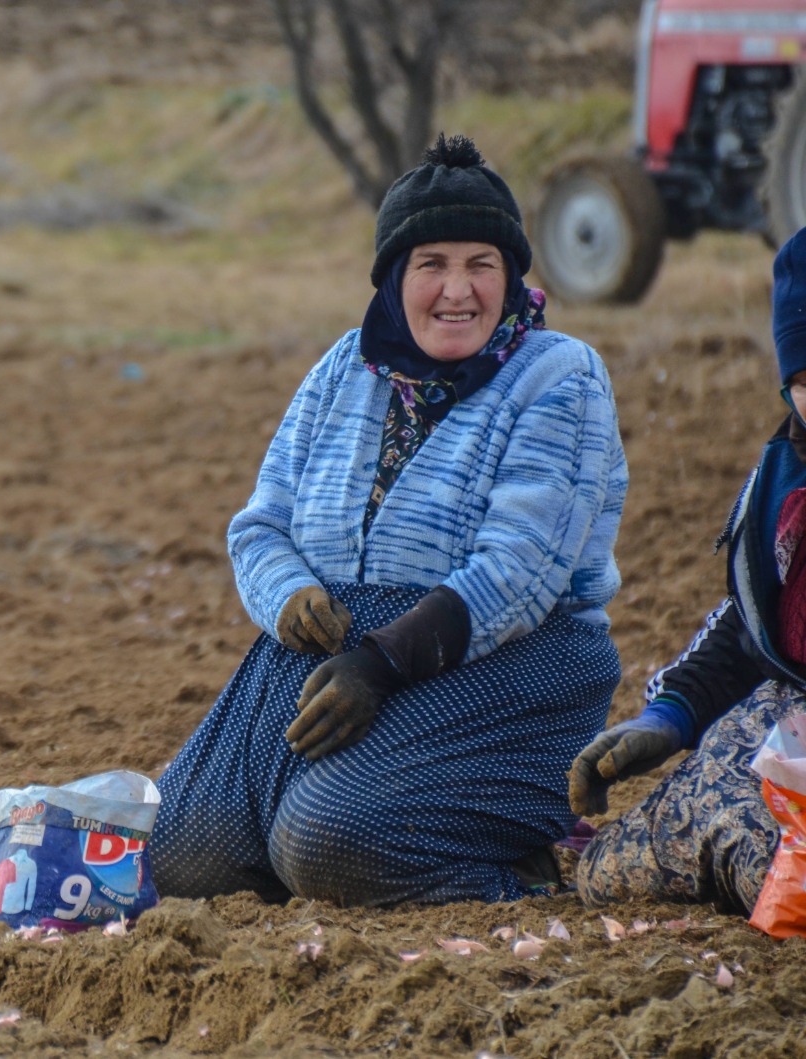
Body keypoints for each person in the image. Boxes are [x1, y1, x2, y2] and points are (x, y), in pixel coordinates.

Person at [148, 135, 628, 906]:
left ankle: (514, 868)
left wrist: (383, 662)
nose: (457, 291)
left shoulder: (559, 377)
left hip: (502, 664)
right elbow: (260, 524)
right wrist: (290, 595)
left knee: (327, 839)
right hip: (336, 657)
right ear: (395, 277)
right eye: (432, 264)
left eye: (482, 265)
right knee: (175, 851)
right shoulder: (347, 367)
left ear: (510, 276)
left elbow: (521, 571)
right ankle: (313, 834)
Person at [571, 228, 806, 914]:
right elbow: (751, 619)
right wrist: (669, 717)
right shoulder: (783, 482)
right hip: (785, 725)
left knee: (750, 841)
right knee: (607, 869)